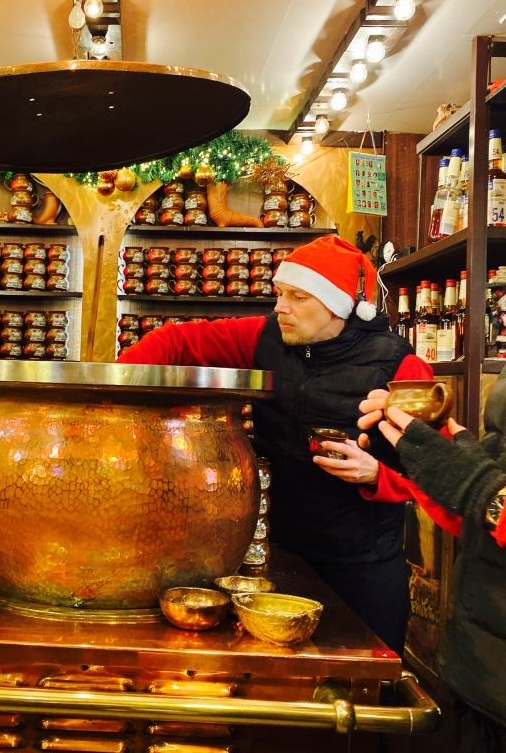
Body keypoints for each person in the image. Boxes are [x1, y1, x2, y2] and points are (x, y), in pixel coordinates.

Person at [118, 236, 433, 653]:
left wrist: (376, 474)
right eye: (280, 293)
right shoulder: (267, 337)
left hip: (362, 566)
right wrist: (110, 397)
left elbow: (437, 475)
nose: (280, 307)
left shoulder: (400, 364)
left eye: (298, 297)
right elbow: (174, 342)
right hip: (279, 557)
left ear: (337, 305)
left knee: (364, 678)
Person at [358, 377, 506, 750]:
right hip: (482, 676)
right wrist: (421, 464)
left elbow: (490, 500)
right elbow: (477, 522)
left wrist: (482, 490)